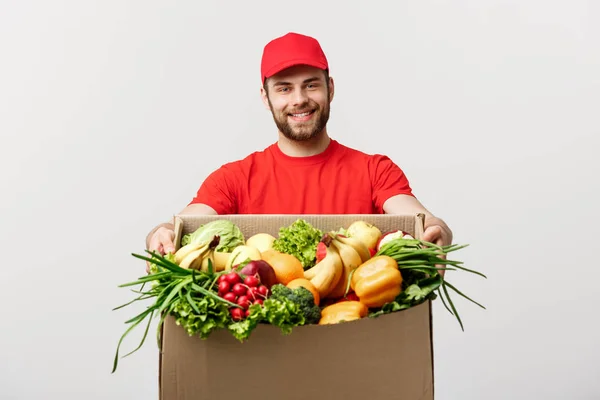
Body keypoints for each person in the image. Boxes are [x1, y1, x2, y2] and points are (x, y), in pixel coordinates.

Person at [145, 32, 452, 271]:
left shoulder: (375, 171)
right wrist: (159, 234)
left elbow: (422, 220)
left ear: (330, 89)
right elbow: (180, 226)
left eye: (310, 85)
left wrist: (438, 232)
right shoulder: (234, 178)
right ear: (266, 98)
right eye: (284, 88)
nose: (299, 99)